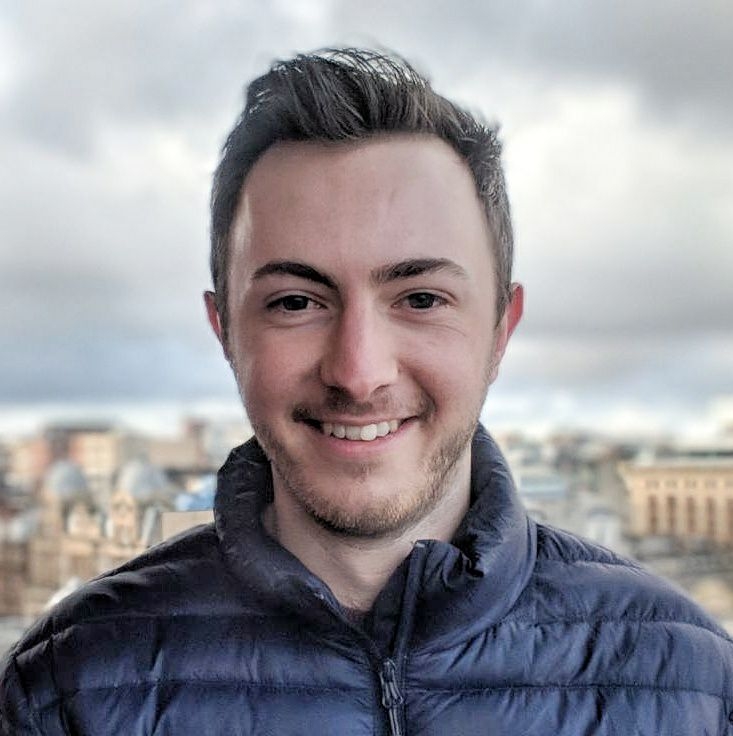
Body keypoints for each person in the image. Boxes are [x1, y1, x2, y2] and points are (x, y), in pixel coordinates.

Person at [2, 48, 732, 736]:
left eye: (420, 299)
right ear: (224, 330)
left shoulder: (696, 687)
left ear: (500, 330)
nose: (358, 372)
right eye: (296, 302)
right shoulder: (66, 692)